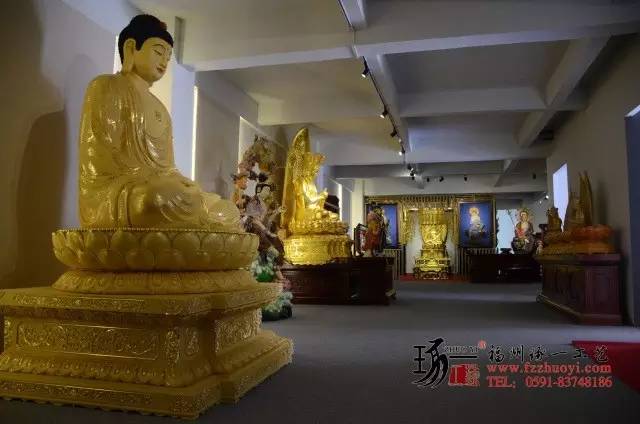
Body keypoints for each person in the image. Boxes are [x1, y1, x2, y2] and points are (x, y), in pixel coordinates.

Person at [78, 15, 240, 231]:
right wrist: (154, 183)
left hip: (163, 191)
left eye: (168, 56)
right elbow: (100, 163)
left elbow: (168, 169)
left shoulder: (160, 109)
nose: (164, 61)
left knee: (228, 210)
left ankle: (199, 221)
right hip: (121, 196)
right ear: (131, 48)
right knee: (154, 199)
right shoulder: (106, 87)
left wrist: (183, 183)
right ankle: (199, 226)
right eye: (158, 51)